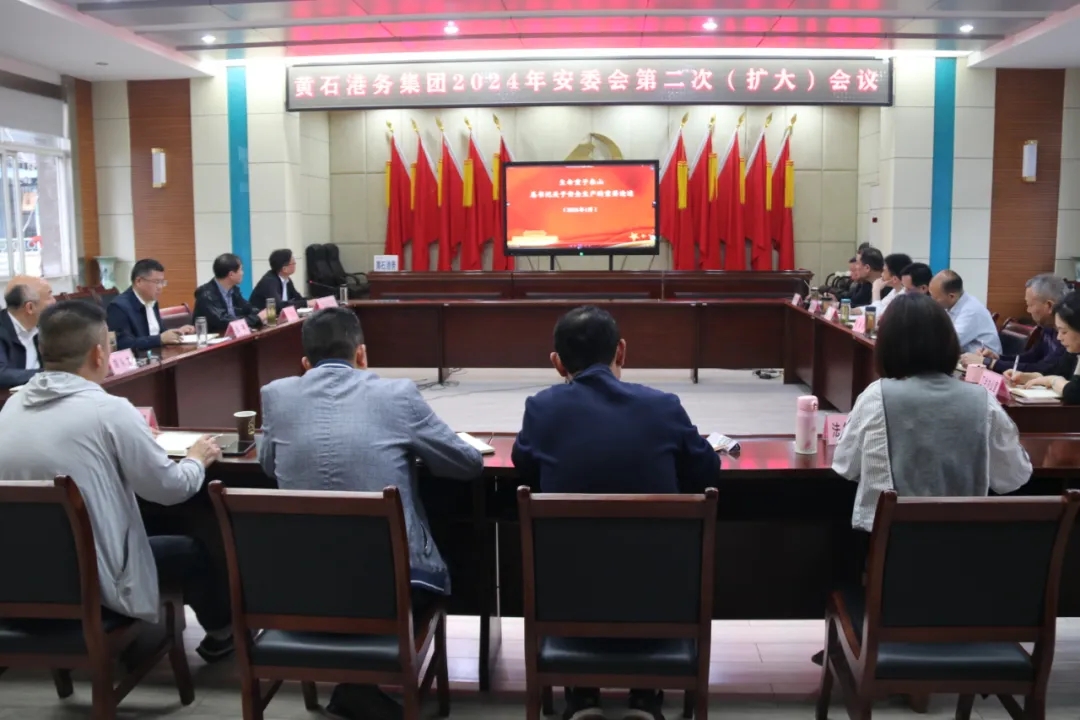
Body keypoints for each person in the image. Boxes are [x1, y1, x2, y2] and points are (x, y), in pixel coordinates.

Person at [258, 306, 483, 720]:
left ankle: (354, 688)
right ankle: (358, 689)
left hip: (296, 589)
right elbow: (467, 464)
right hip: (389, 593)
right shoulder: (396, 395)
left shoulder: (276, 395)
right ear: (361, 354)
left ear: (305, 363)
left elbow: (269, 466)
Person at [512, 305, 720, 720]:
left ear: (557, 363)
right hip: (662, 603)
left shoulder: (542, 409)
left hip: (567, 603)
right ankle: (644, 696)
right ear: (621, 351)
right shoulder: (664, 406)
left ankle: (582, 696)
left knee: (577, 554)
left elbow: (524, 466)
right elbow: (707, 471)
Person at [0, 301, 234, 661]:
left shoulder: (10, 409)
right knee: (192, 547)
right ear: (99, 354)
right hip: (94, 589)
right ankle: (222, 635)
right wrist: (196, 459)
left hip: (18, 586)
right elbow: (171, 489)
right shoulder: (109, 410)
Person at [809, 292, 1032, 668]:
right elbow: (1014, 476)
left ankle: (855, 640)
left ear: (888, 346)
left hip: (891, 557)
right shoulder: (981, 401)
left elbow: (845, 466)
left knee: (839, 532)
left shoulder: (877, 396)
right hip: (965, 557)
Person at [961, 274, 1067, 373]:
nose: (1028, 310)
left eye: (1030, 305)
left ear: (1049, 306)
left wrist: (989, 363)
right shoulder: (1048, 326)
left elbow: (1045, 369)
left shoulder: (1069, 332)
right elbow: (1032, 357)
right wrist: (997, 359)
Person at [1005, 290, 1080, 404]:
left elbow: (1074, 392)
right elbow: (1056, 372)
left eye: (1064, 332)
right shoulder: (1072, 351)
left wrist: (1053, 380)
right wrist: (1026, 377)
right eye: (1058, 331)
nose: (1059, 337)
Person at [107, 258, 194, 352]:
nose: (160, 287)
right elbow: (123, 344)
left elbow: (160, 333)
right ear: (139, 281)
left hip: (157, 356)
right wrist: (159, 339)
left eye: (162, 282)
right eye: (156, 282)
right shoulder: (118, 307)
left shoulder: (152, 301)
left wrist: (177, 333)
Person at [928, 269, 1001, 355]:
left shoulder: (970, 311)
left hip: (985, 359)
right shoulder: (951, 305)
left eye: (935, 298)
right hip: (965, 356)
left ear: (951, 296)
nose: (932, 301)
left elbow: (947, 344)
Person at [0, 275, 54, 387]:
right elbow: (2, 374)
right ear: (30, 307)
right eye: (49, 296)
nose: (54, 301)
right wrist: (49, 374)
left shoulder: (46, 327)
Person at [193, 253, 266, 334]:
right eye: (241, 269)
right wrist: (256, 318)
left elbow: (247, 308)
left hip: (231, 336)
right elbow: (224, 322)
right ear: (231, 274)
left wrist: (261, 313)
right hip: (214, 338)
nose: (242, 273)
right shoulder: (206, 295)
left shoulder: (233, 290)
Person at [248, 248, 316, 311]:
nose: (295, 265)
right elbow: (278, 306)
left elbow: (298, 298)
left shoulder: (286, 279)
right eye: (293, 263)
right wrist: (306, 303)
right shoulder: (269, 281)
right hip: (261, 317)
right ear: (284, 269)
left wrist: (315, 300)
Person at [867, 252, 911, 318]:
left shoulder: (903, 296)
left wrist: (876, 290)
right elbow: (880, 306)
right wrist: (855, 310)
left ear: (894, 279)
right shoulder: (895, 291)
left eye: (884, 271)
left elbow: (877, 315)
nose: (881, 275)